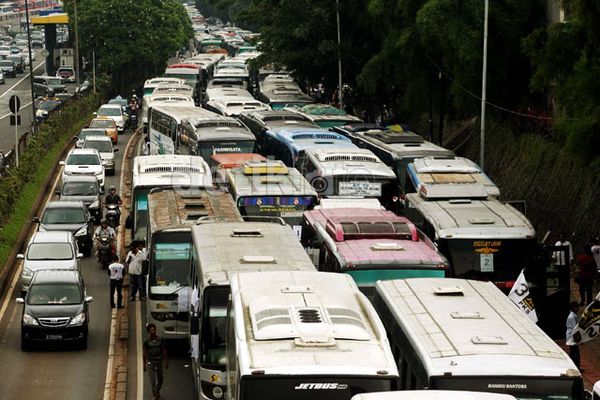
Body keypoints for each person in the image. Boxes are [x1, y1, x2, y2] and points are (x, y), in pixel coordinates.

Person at [143, 323, 168, 400]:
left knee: (161, 378)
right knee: (152, 379)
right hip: (151, 361)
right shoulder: (146, 341)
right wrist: (144, 364)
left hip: (159, 360)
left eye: (154, 330)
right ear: (148, 332)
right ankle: (155, 395)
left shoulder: (160, 339)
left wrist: (165, 361)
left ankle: (157, 390)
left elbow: (164, 350)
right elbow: (144, 353)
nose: (153, 332)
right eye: (151, 330)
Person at [566, 301, 581, 370]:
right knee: (575, 353)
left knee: (573, 352)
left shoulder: (572, 316)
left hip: (571, 336)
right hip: (571, 336)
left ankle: (573, 365)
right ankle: (576, 367)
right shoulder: (572, 317)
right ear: (575, 308)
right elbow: (574, 328)